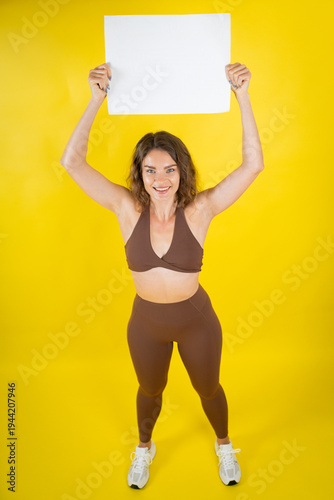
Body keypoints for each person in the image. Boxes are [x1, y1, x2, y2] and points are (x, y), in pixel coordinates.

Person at [60, 61, 264, 489]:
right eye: (150, 170)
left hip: (196, 321)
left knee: (209, 390)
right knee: (149, 391)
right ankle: (144, 448)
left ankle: (224, 444)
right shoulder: (125, 208)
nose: (160, 179)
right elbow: (72, 162)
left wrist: (242, 94)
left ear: (181, 171)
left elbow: (252, 166)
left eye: (169, 169)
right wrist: (97, 97)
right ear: (140, 173)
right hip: (147, 324)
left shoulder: (201, 209)